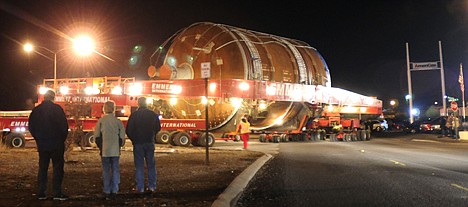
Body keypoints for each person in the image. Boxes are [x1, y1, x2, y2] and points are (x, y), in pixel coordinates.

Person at [28, 90, 69, 201]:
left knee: (43, 168)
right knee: (58, 169)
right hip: (57, 144)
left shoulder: (36, 111)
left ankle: (41, 193)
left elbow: (31, 126)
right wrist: (61, 139)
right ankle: (57, 193)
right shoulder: (57, 109)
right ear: (53, 98)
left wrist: (38, 139)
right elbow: (64, 127)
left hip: (43, 144)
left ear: (44, 98)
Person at [126, 97, 161, 193]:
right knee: (151, 165)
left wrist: (134, 139)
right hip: (149, 141)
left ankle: (140, 187)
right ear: (147, 104)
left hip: (138, 143)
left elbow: (129, 129)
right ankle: (152, 186)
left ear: (138, 104)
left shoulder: (134, 115)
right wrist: (152, 135)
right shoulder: (153, 115)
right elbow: (158, 127)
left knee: (139, 165)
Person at [94, 101, 125, 197]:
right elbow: (122, 137)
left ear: (104, 109)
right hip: (115, 150)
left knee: (106, 170)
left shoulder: (101, 121)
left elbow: (97, 136)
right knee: (115, 169)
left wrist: (100, 146)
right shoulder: (118, 121)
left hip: (105, 150)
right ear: (114, 109)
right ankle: (115, 189)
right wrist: (119, 145)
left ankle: (106, 189)